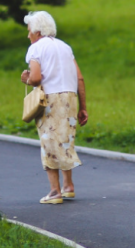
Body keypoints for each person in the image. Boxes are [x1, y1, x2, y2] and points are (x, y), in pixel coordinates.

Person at [20, 11, 88, 205]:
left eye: (29, 31)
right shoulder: (65, 47)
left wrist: (26, 79)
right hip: (70, 98)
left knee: (49, 142)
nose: (28, 35)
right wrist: (83, 107)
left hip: (50, 99)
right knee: (65, 140)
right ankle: (68, 186)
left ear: (37, 31)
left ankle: (54, 192)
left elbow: (35, 78)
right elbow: (80, 78)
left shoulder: (35, 49)